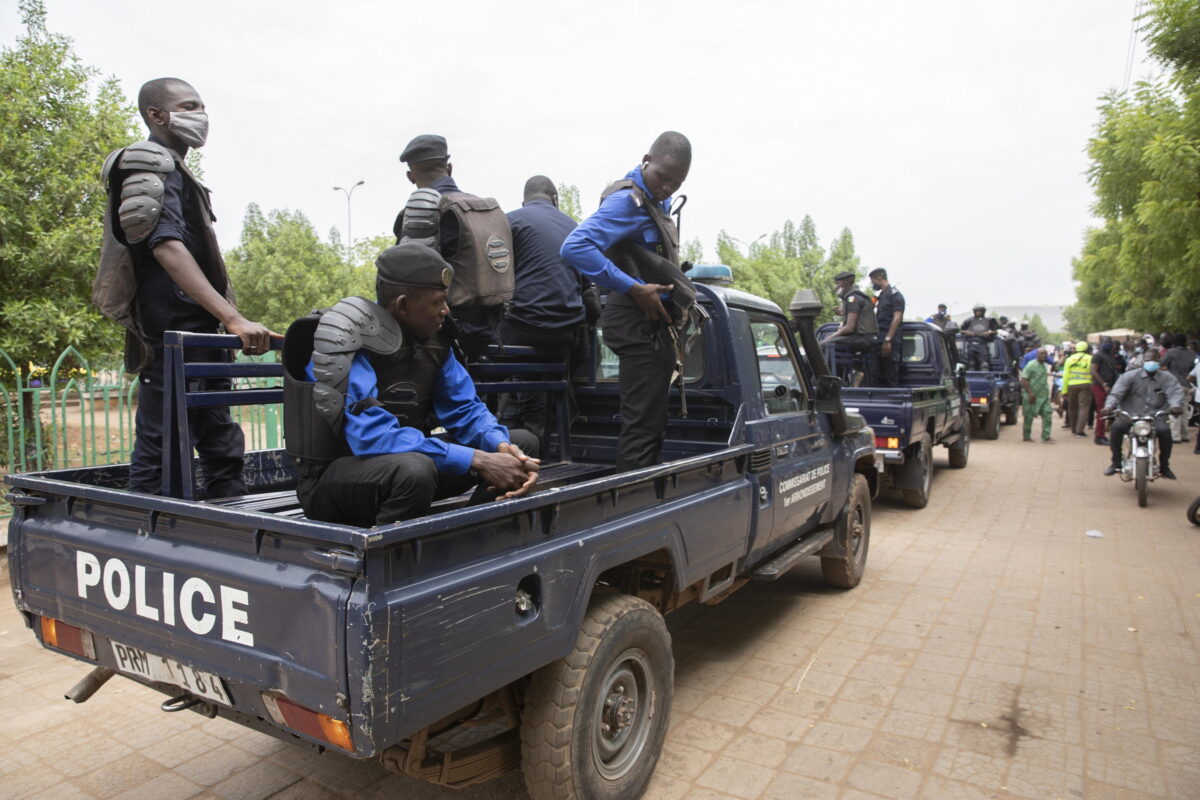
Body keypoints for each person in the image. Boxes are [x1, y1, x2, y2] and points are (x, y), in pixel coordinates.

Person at [93, 77, 273, 498]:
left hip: (199, 332)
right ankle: (148, 538)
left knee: (221, 443)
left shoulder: (175, 168)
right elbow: (166, 247)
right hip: (171, 336)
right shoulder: (147, 162)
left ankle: (230, 531)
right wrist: (232, 317)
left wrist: (221, 321)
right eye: (188, 106)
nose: (200, 116)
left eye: (201, 106)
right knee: (161, 450)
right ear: (156, 114)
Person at [292, 243, 540, 526]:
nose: (446, 310)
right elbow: (373, 438)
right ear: (403, 305)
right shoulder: (343, 342)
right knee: (414, 469)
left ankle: (473, 538)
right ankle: (390, 559)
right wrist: (478, 460)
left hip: (408, 470)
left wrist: (501, 446)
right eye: (438, 302)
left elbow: (465, 409)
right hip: (336, 483)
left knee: (522, 445)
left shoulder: (435, 341)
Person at [560, 131, 694, 471]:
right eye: (662, 177)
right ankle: (633, 508)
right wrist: (635, 287)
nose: (666, 188)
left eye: (675, 184)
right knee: (642, 428)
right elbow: (574, 247)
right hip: (636, 322)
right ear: (646, 160)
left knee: (649, 423)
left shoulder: (655, 201)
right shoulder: (626, 201)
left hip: (647, 323)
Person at [393, 134, 513, 358]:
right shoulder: (490, 209)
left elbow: (401, 282)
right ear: (449, 168)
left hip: (446, 335)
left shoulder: (423, 214)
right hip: (494, 333)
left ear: (410, 176)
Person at [498, 175, 590, 440]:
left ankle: (521, 430)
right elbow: (585, 284)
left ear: (524, 201)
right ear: (555, 200)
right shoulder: (574, 226)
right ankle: (543, 426)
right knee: (546, 370)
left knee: (504, 361)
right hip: (566, 330)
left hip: (524, 327)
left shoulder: (511, 220)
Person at [1102, 348, 1185, 479]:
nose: (1151, 363)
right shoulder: (1129, 376)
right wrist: (1109, 406)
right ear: (1142, 362)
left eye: (1154, 360)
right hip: (1130, 416)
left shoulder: (1167, 378)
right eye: (1148, 360)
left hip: (1155, 417)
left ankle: (1164, 466)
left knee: (1165, 432)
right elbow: (1116, 393)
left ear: (1160, 362)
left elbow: (1175, 393)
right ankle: (1116, 463)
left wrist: (1175, 406)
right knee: (1116, 428)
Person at [824, 271, 880, 385]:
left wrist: (829, 338)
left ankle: (832, 381)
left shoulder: (852, 298)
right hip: (865, 338)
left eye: (838, 283)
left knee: (825, 345)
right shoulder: (853, 297)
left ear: (844, 284)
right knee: (830, 343)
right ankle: (841, 378)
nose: (836, 287)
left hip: (863, 338)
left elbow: (849, 328)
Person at [869, 268, 905, 387]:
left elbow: (897, 317)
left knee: (891, 376)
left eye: (873, 281)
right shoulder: (881, 296)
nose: (872, 284)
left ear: (879, 278)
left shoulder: (895, 295)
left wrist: (888, 339)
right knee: (874, 375)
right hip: (878, 340)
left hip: (890, 341)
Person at [1160, 334, 1195, 443]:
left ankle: (1175, 436)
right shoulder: (1191, 353)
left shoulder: (1171, 352)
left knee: (1174, 408)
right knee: (1184, 409)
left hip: (1174, 383)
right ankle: (1185, 435)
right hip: (1186, 384)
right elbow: (1192, 369)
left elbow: (1161, 363)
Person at [1020, 347, 1054, 443]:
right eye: (1042, 353)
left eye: (1045, 354)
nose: (1044, 355)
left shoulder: (1044, 365)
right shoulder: (1030, 365)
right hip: (1031, 396)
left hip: (1043, 396)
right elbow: (1024, 379)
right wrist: (1031, 394)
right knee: (1028, 417)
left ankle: (1046, 436)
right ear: (1037, 355)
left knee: (1047, 413)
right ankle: (1026, 436)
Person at [1089, 340, 1119, 446]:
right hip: (1100, 386)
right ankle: (1099, 436)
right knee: (1102, 411)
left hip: (1109, 386)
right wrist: (1104, 384)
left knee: (1107, 410)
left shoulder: (1110, 356)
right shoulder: (1098, 356)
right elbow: (1093, 371)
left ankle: (1102, 434)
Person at [1062, 341, 1093, 437]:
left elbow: (1065, 375)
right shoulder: (1091, 358)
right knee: (1084, 407)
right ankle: (1080, 430)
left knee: (1072, 408)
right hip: (1086, 385)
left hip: (1071, 385)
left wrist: (1064, 390)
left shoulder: (1070, 359)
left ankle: (1073, 428)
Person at [961, 305, 996, 370]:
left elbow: (996, 330)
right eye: (977, 311)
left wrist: (989, 332)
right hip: (971, 343)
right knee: (971, 364)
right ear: (974, 311)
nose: (978, 312)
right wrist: (967, 332)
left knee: (984, 364)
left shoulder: (989, 320)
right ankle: (971, 377)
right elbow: (961, 330)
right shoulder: (968, 321)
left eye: (980, 311)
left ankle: (984, 377)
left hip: (983, 343)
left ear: (983, 311)